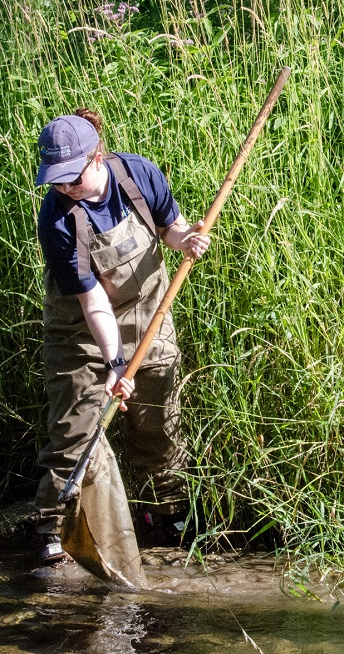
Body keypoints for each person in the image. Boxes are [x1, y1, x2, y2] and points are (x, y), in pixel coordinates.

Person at [33, 109, 210, 564]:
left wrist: (187, 239)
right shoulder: (57, 218)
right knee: (77, 429)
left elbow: (170, 227)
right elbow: (93, 303)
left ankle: (168, 512)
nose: (63, 188)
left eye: (71, 177)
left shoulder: (138, 174)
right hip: (81, 332)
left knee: (158, 424)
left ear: (97, 158)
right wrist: (115, 365)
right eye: (55, 179)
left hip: (150, 313)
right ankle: (57, 528)